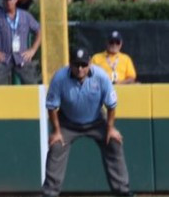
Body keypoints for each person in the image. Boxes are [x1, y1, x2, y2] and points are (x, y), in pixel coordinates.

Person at [41, 47, 131, 197]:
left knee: (114, 142)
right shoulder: (59, 78)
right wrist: (56, 131)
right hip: (67, 122)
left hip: (97, 121)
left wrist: (110, 129)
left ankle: (122, 190)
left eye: (83, 64)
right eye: (76, 65)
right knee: (56, 146)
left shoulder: (101, 77)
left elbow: (111, 105)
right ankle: (50, 192)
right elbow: (51, 107)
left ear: (90, 63)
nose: (80, 69)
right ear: (70, 64)